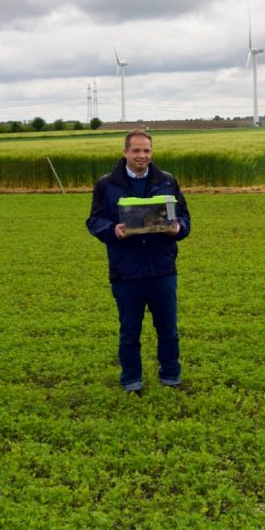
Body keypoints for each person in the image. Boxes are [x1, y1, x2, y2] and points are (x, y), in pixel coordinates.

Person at [87, 130, 191, 394]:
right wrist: (114, 231)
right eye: (136, 151)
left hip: (162, 268)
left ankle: (171, 376)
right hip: (126, 270)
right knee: (130, 331)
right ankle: (131, 381)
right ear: (125, 153)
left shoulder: (167, 181)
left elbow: (185, 218)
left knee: (168, 329)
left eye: (146, 150)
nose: (142, 156)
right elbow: (95, 221)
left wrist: (177, 229)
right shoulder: (107, 184)